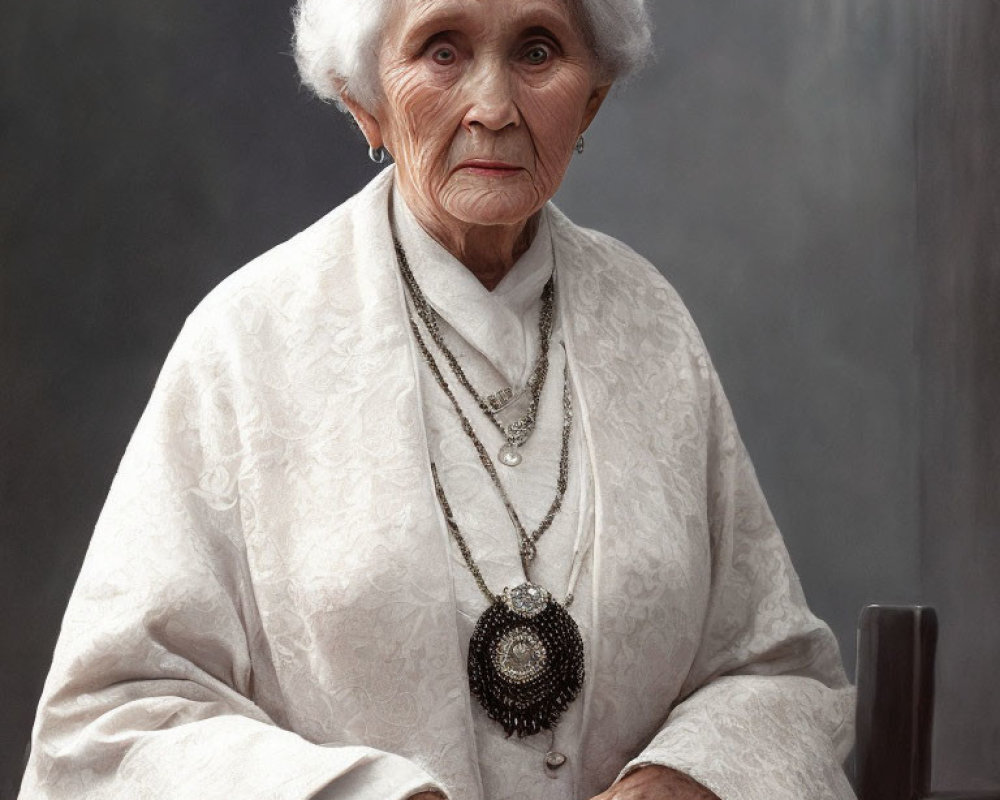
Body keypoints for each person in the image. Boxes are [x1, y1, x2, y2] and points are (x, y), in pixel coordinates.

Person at [18, 0, 857, 798]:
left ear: (592, 101)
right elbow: (112, 721)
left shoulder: (652, 326)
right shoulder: (246, 340)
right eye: (441, 49)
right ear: (365, 103)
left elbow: (775, 670)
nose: (492, 106)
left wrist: (679, 783)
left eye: (537, 49)